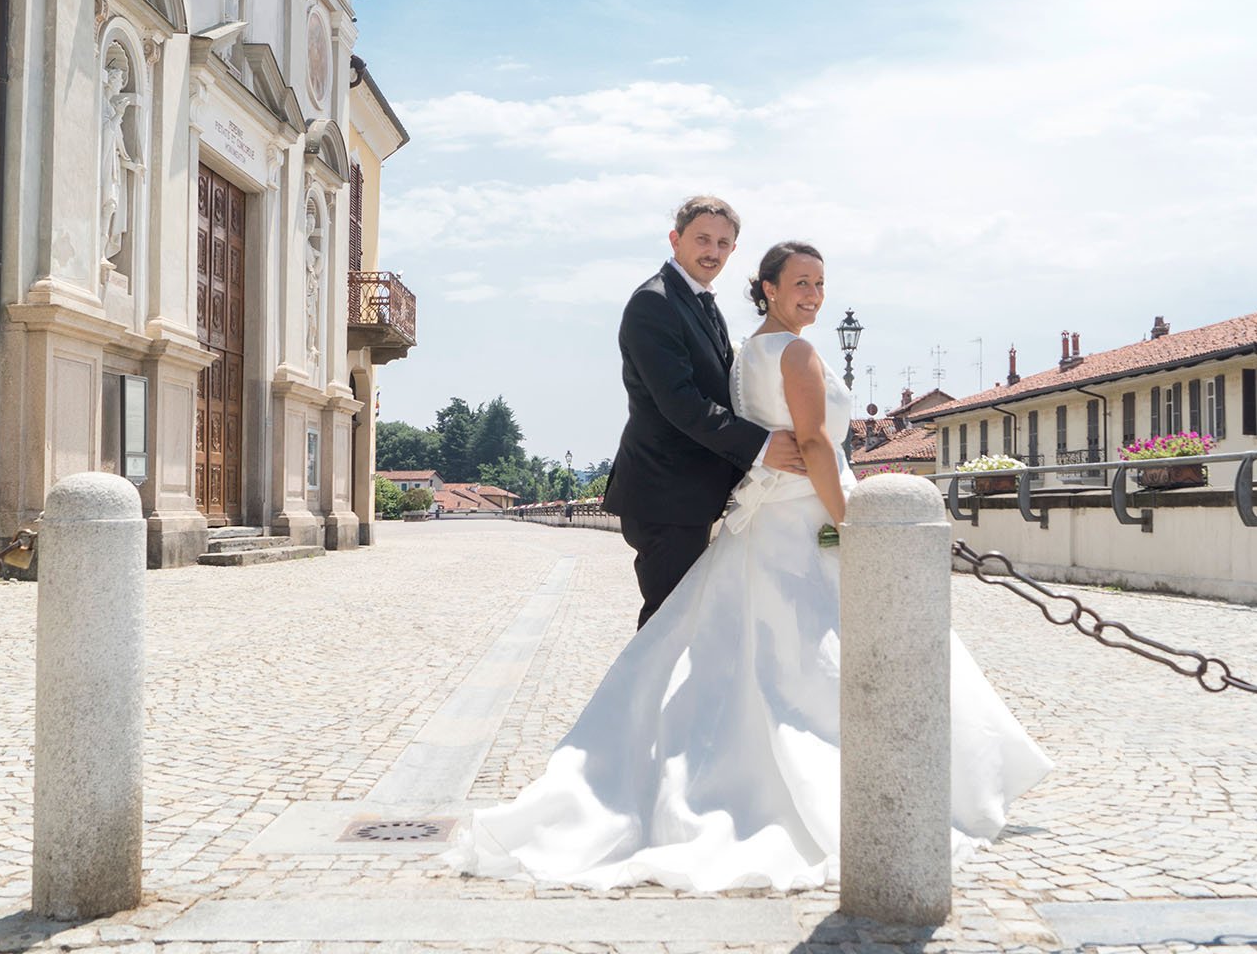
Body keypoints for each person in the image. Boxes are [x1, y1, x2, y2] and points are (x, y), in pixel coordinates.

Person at [448, 241, 1052, 891]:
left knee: (747, 658)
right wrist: (850, 521)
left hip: (763, 522)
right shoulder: (794, 353)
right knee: (829, 658)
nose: (813, 295)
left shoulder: (745, 357)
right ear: (765, 287)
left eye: (820, 283)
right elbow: (817, 442)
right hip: (804, 520)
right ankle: (893, 792)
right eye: (800, 283)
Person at [600, 196, 806, 628]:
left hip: (691, 494)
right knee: (669, 627)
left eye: (724, 243)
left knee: (686, 624)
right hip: (665, 494)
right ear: (676, 240)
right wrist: (763, 445)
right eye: (702, 239)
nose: (712, 251)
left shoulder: (699, 301)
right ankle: (638, 698)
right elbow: (681, 403)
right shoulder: (653, 303)